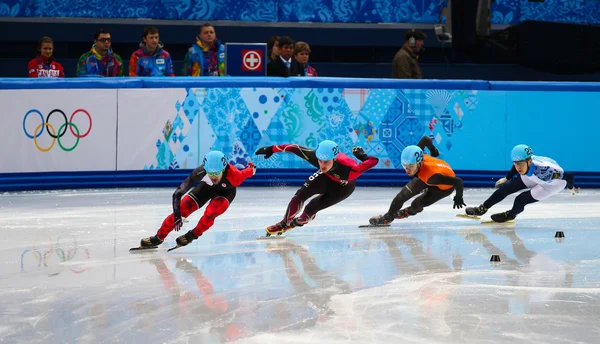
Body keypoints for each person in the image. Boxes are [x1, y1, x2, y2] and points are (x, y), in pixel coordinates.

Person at [255, 140, 379, 236]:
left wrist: (363, 157)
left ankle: (306, 217)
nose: (322, 164)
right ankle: (284, 223)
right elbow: (294, 148)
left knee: (311, 208)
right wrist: (272, 148)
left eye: (326, 162)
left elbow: (374, 161)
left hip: (343, 188)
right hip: (325, 178)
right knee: (300, 195)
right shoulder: (315, 156)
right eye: (320, 161)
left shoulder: (351, 168)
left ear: (334, 159)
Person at [138, 151, 256, 248]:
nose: (213, 176)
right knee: (183, 208)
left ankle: (193, 235)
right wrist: (178, 215)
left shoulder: (235, 176)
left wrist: (251, 168)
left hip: (225, 193)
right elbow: (177, 193)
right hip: (205, 189)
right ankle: (158, 238)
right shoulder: (200, 172)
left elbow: (249, 171)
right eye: (210, 173)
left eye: (217, 173)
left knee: (211, 213)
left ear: (224, 169)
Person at [465, 144, 575, 223]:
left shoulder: (547, 171)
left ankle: (511, 215)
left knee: (520, 199)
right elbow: (517, 163)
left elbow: (569, 175)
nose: (518, 167)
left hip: (552, 185)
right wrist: (507, 178)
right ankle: (482, 209)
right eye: (516, 164)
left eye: (520, 164)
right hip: (533, 175)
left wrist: (571, 187)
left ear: (529, 161)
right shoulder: (523, 163)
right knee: (506, 188)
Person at [370, 136, 465, 225]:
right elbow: (425, 139)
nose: (407, 170)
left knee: (416, 204)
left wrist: (458, 197)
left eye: (411, 167)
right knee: (401, 197)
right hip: (428, 173)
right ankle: (388, 217)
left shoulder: (433, 177)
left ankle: (407, 212)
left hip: (443, 187)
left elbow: (458, 181)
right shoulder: (415, 153)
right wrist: (433, 150)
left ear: (419, 164)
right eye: (405, 166)